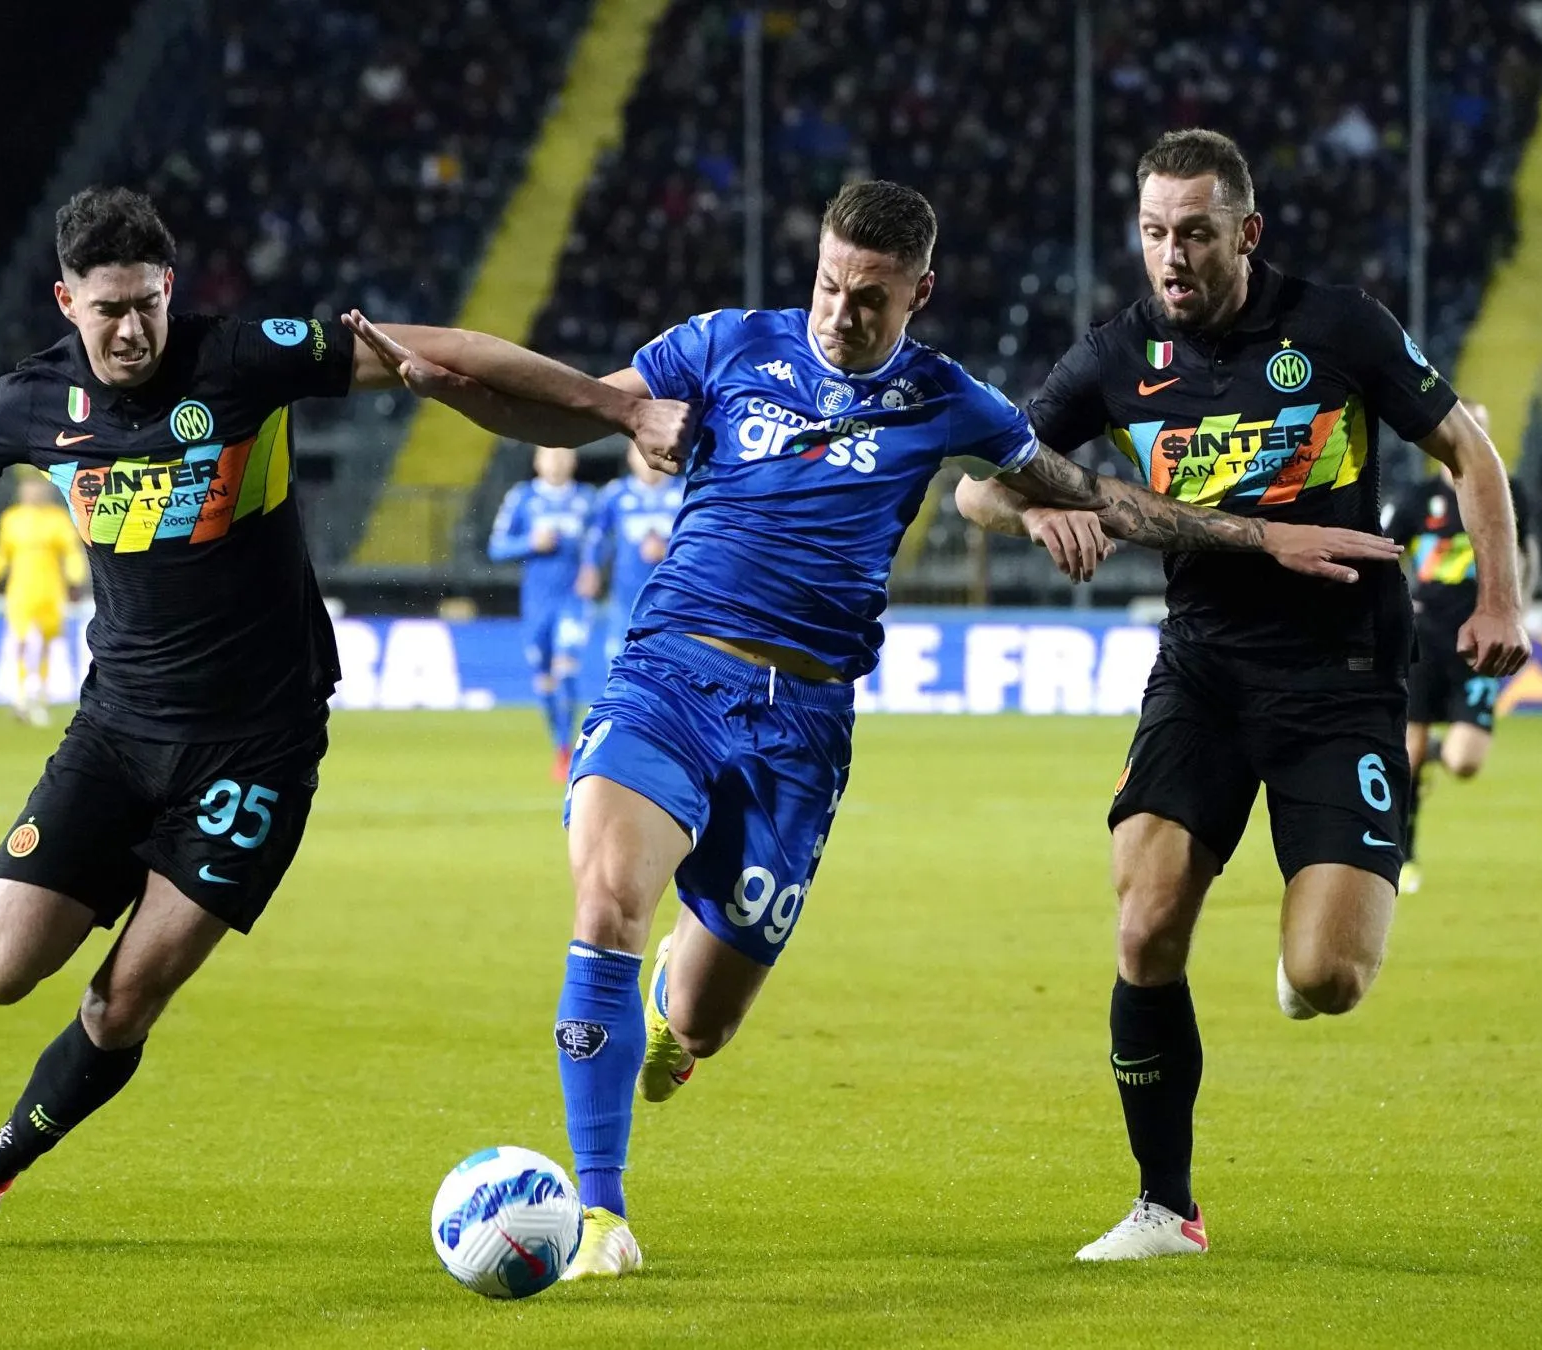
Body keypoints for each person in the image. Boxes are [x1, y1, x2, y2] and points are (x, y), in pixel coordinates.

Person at [348, 178, 1405, 1280]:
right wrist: (470, 387)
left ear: (918, 295)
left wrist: (1253, 537)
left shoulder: (947, 400)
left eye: (868, 299)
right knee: (608, 898)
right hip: (669, 674)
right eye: (827, 285)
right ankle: (601, 1214)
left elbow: (1092, 492)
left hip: (800, 729)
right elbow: (570, 400)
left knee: (702, 1022)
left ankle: (670, 1005)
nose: (838, 313)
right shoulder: (721, 347)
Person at [0, 185, 694, 1252]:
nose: (131, 328)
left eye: (147, 303)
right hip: (117, 735)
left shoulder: (243, 360)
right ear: (64, 301)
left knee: (122, 1004)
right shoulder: (34, 404)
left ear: (169, 289)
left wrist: (620, 409)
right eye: (107, 308)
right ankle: (114, 876)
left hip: (256, 751)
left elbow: (447, 350)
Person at [955, 129, 1531, 1261]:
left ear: (1244, 233)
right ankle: (1163, 1207)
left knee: (1329, 978)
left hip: (1340, 678)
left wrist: (1500, 604)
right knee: (1143, 920)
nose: (1169, 257)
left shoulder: (1338, 328)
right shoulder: (1113, 357)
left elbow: (1470, 454)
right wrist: (1029, 510)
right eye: (1153, 233)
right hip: (1202, 667)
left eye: (1194, 234)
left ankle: (1305, 956)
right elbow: (980, 484)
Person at [1381, 398, 1539, 894]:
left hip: (1479, 642)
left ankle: (1432, 754)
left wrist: (1519, 607)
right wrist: (1399, 609)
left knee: (1466, 762)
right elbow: (1387, 552)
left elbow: (1524, 553)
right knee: (1405, 752)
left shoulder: (1507, 493)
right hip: (1425, 640)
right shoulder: (1418, 498)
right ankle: (1404, 853)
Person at [488, 445, 595, 778]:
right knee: (544, 680)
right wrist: (530, 543)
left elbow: (601, 541)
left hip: (573, 602)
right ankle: (559, 745)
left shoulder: (588, 499)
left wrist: (592, 569)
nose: (558, 461)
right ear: (537, 461)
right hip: (537, 603)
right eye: (550, 455)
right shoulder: (522, 498)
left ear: (574, 461)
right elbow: (496, 547)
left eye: (564, 455)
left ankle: (568, 750)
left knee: (566, 671)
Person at [0, 471, 88, 727]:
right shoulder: (12, 518)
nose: (34, 492)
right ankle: (22, 696)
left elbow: (72, 552)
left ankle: (38, 697)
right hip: (20, 592)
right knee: (25, 642)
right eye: (29, 488)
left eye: (38, 487)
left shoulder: (58, 519)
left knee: (44, 647)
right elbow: (2, 553)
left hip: (51, 591)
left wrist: (75, 579)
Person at [577, 442, 684, 661]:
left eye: (656, 449)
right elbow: (597, 536)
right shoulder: (615, 494)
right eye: (640, 451)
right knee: (619, 663)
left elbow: (702, 540)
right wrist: (590, 567)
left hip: (675, 599)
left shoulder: (685, 492)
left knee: (670, 669)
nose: (647, 460)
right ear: (629, 457)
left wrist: (667, 550)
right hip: (626, 599)